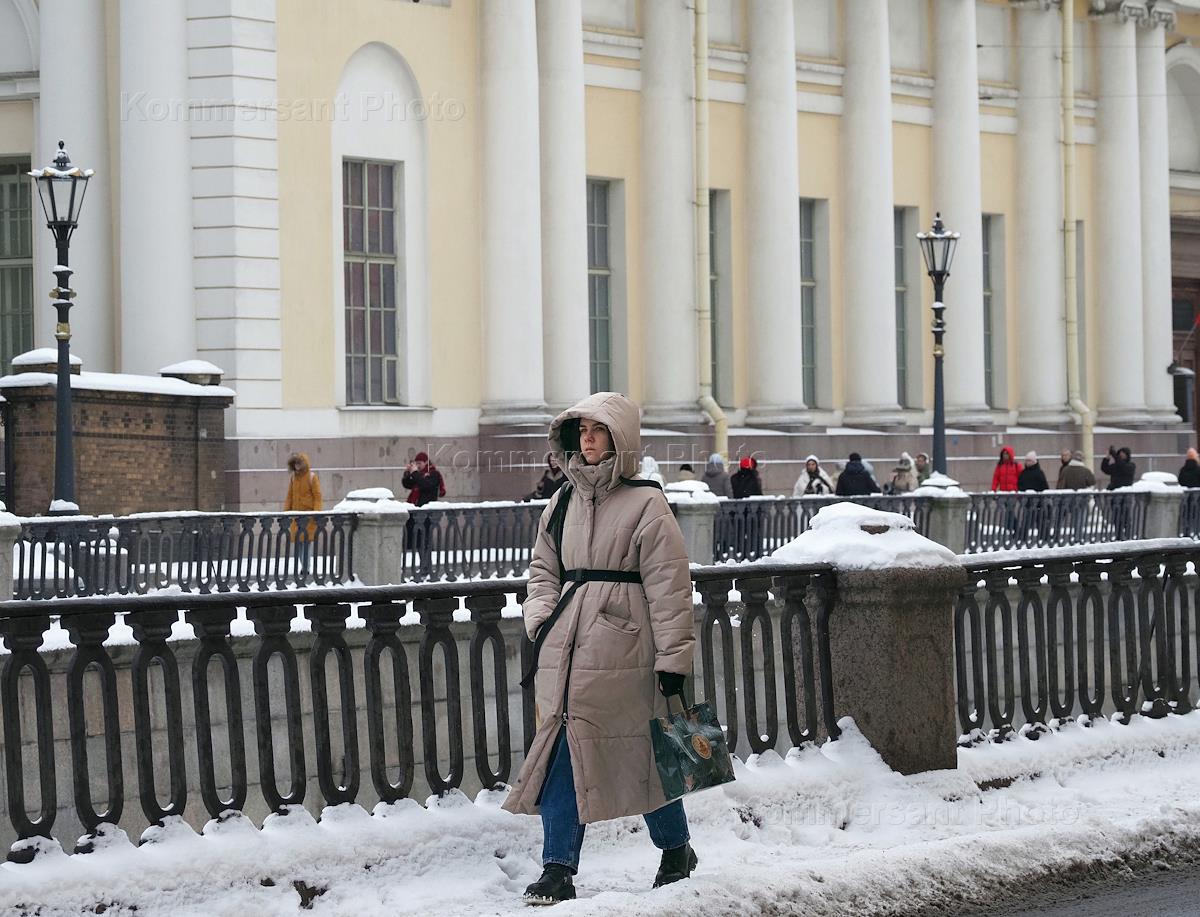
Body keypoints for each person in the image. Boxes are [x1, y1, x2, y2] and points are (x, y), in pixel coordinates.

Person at [502, 392, 697, 903]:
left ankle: (676, 849)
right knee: (563, 753)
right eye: (582, 432)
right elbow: (542, 570)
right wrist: (541, 620)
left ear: (620, 438)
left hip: (626, 652)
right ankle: (558, 867)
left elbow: (670, 587)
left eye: (598, 431)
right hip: (565, 650)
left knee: (643, 752)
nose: (587, 441)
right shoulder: (561, 501)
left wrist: (673, 660)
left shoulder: (647, 504)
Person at [284, 453, 322, 577]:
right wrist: (286, 512)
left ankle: (305, 567)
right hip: (296, 516)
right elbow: (289, 496)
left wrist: (316, 513)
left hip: (308, 516)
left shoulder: (311, 477)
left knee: (306, 542)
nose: (297, 466)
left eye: (299, 463)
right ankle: (304, 566)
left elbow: (317, 496)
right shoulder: (293, 478)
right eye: (295, 463)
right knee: (298, 543)